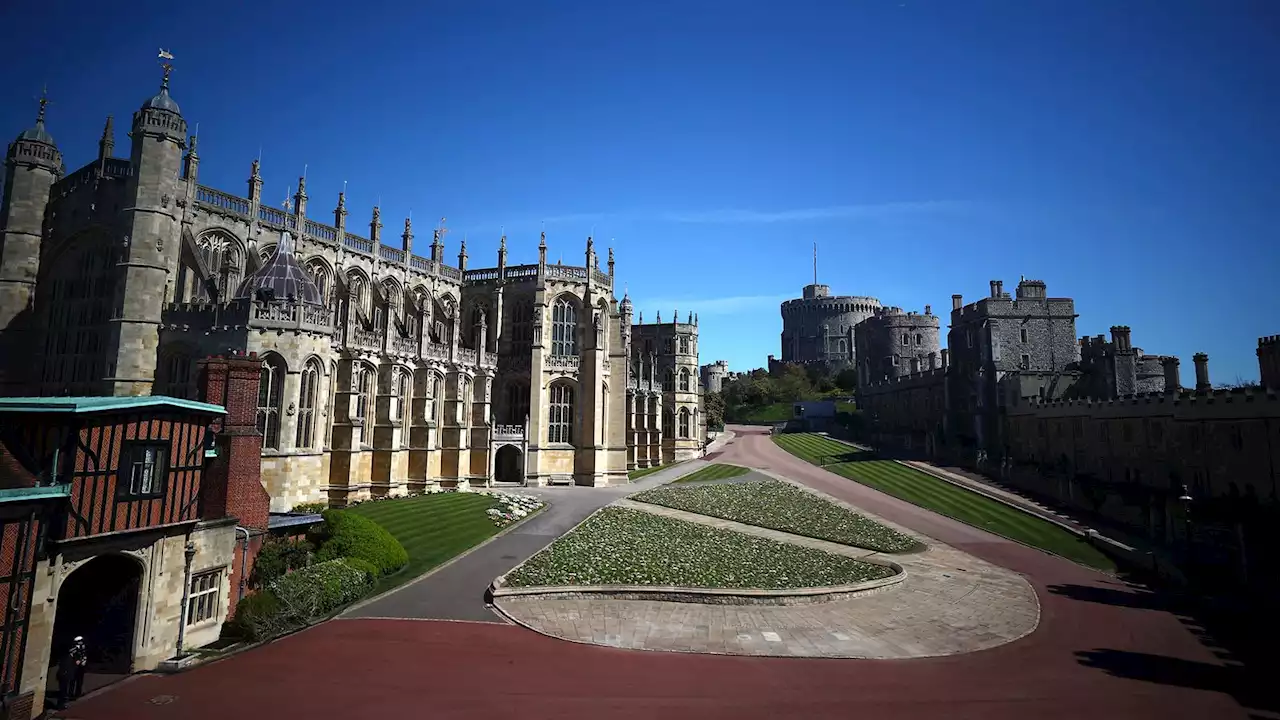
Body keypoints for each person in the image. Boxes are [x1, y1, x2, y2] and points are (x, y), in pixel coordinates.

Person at [56, 637, 87, 708]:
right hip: (66, 673)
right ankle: (63, 702)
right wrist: (77, 662)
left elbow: (82, 656)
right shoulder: (70, 654)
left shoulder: (81, 648)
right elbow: (68, 664)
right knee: (65, 689)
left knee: (75, 683)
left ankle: (71, 696)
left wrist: (82, 661)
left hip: (75, 670)